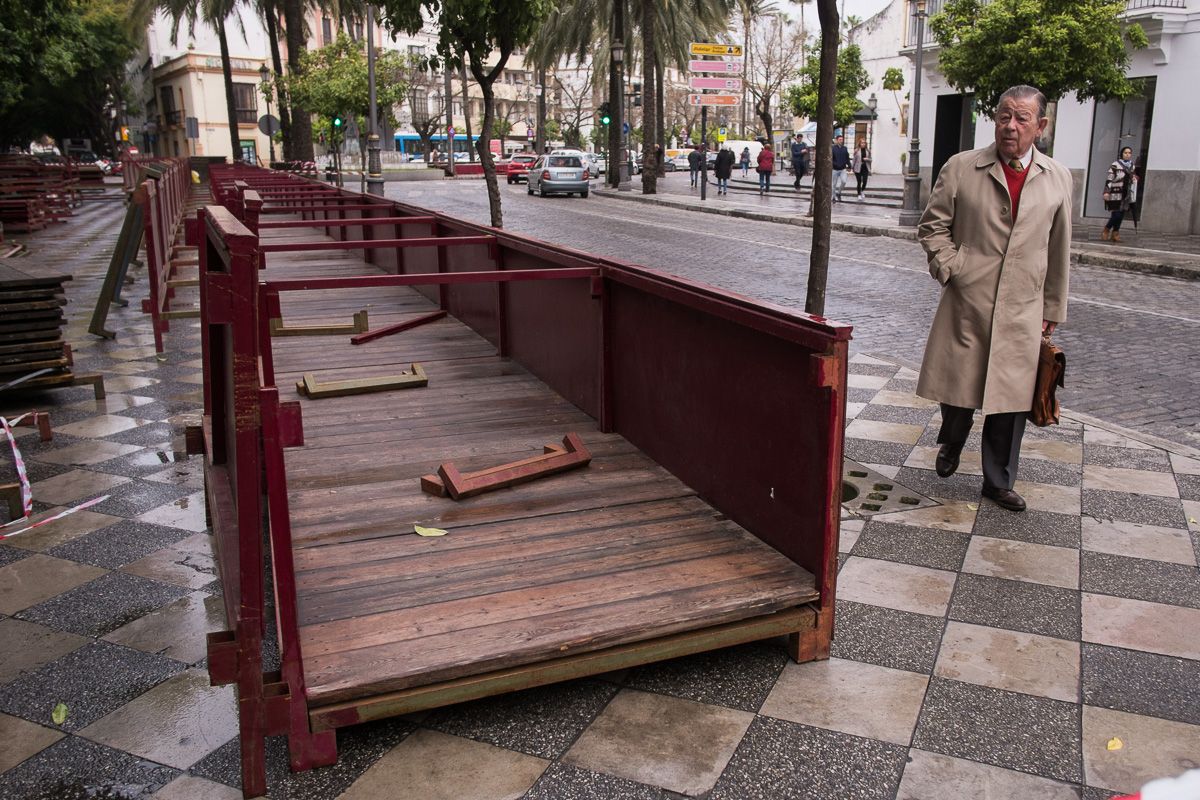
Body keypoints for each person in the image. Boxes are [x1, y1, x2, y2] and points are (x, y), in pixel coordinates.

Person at [916, 85, 1072, 513]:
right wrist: (952, 267)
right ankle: (952, 437)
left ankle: (998, 480)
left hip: (1023, 304)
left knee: (1011, 397)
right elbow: (933, 226)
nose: (1010, 126)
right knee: (958, 386)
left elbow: (1059, 247)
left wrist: (1053, 306)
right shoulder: (962, 167)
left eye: (1022, 118)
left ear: (1041, 126)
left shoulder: (1058, 177)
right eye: (1004, 116)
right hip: (969, 298)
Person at [1101, 146, 1138, 242]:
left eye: (1129, 153)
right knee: (1116, 214)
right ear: (1122, 154)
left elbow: (1133, 176)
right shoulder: (1115, 165)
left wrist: (1134, 178)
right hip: (1115, 192)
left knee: (1121, 215)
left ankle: (1115, 232)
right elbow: (1109, 179)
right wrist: (1106, 192)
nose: (1127, 154)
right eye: (1125, 153)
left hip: (1127, 193)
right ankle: (1107, 229)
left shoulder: (1132, 166)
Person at [831, 135, 851, 201]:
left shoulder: (845, 148)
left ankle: (839, 193)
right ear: (836, 140)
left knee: (844, 181)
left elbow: (847, 158)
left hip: (843, 169)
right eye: (840, 139)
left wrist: (849, 165)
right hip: (835, 169)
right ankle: (833, 197)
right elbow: (831, 158)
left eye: (842, 139)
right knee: (834, 184)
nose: (841, 141)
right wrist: (834, 164)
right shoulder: (833, 148)